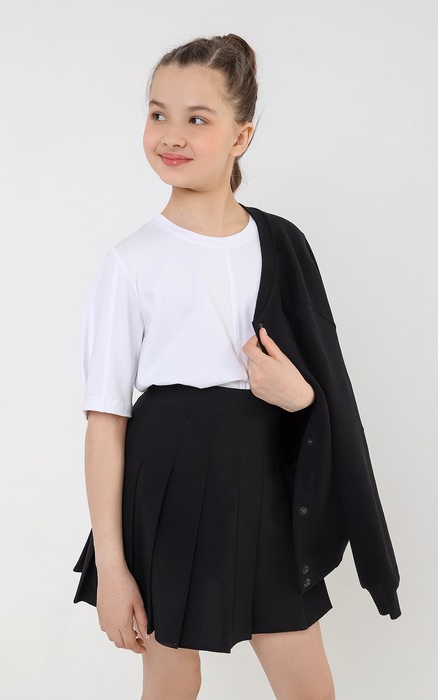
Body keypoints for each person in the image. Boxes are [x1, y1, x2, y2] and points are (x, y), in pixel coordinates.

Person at [72, 33, 383, 700]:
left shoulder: (282, 243)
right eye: (158, 113)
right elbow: (105, 422)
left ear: (241, 137)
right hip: (168, 481)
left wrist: (301, 396)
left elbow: (323, 386)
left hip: (265, 481)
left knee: (307, 685)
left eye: (197, 118)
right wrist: (113, 568)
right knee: (172, 679)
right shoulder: (130, 263)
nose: (171, 135)